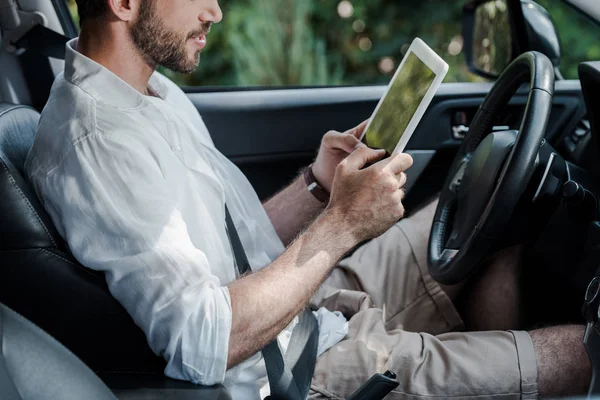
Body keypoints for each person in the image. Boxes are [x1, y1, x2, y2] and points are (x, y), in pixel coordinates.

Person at [24, 0, 590, 399]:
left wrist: (319, 185)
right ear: (124, 3)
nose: (216, 12)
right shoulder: (99, 142)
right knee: (584, 353)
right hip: (295, 371)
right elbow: (205, 340)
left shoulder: (148, 91)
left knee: (497, 212)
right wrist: (342, 224)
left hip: (309, 307)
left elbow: (228, 247)